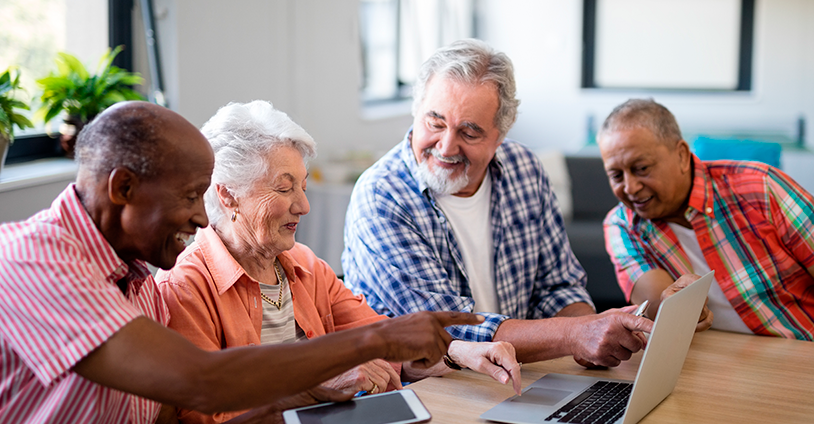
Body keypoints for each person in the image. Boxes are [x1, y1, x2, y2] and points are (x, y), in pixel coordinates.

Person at [0, 101, 485, 424]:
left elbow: (173, 413)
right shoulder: (35, 259)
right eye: (192, 196)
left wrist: (306, 396)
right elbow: (203, 383)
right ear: (124, 189)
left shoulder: (137, 280)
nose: (199, 215)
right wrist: (374, 341)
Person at [155, 100, 521, 423]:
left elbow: (384, 341)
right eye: (284, 189)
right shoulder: (185, 287)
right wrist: (315, 382)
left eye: (303, 186)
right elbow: (204, 416)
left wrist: (461, 351)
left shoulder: (304, 265)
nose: (303, 206)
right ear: (228, 196)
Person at [342, 38, 653, 369]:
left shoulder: (525, 168)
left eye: (469, 132)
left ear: (499, 136)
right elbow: (446, 328)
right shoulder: (381, 196)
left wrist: (590, 336)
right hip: (428, 388)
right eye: (435, 123)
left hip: (516, 377)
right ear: (416, 112)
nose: (446, 147)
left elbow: (557, 286)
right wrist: (575, 334)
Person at [598, 98, 814, 347]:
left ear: (681, 155)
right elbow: (659, 304)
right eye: (616, 176)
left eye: (641, 168)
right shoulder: (622, 225)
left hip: (813, 355)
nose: (630, 188)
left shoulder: (761, 187)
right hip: (720, 370)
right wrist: (676, 308)